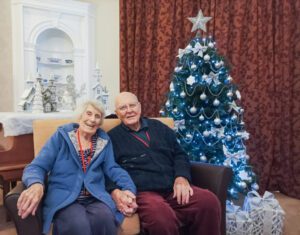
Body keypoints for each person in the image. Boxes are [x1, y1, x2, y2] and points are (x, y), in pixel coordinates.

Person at [107, 92, 221, 235]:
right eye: (123, 108)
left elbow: (180, 154)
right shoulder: (111, 138)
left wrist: (181, 177)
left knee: (208, 201)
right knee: (161, 218)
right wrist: (116, 191)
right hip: (143, 192)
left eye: (132, 105)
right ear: (117, 113)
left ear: (139, 107)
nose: (129, 110)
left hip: (173, 187)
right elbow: (106, 169)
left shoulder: (159, 127)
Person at [17, 100, 137, 235]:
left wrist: (128, 188)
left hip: (95, 196)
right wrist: (36, 184)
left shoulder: (104, 141)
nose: (92, 119)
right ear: (80, 116)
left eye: (97, 116)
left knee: (105, 218)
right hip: (65, 196)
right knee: (77, 223)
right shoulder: (61, 137)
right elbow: (37, 166)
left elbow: (113, 168)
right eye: (89, 114)